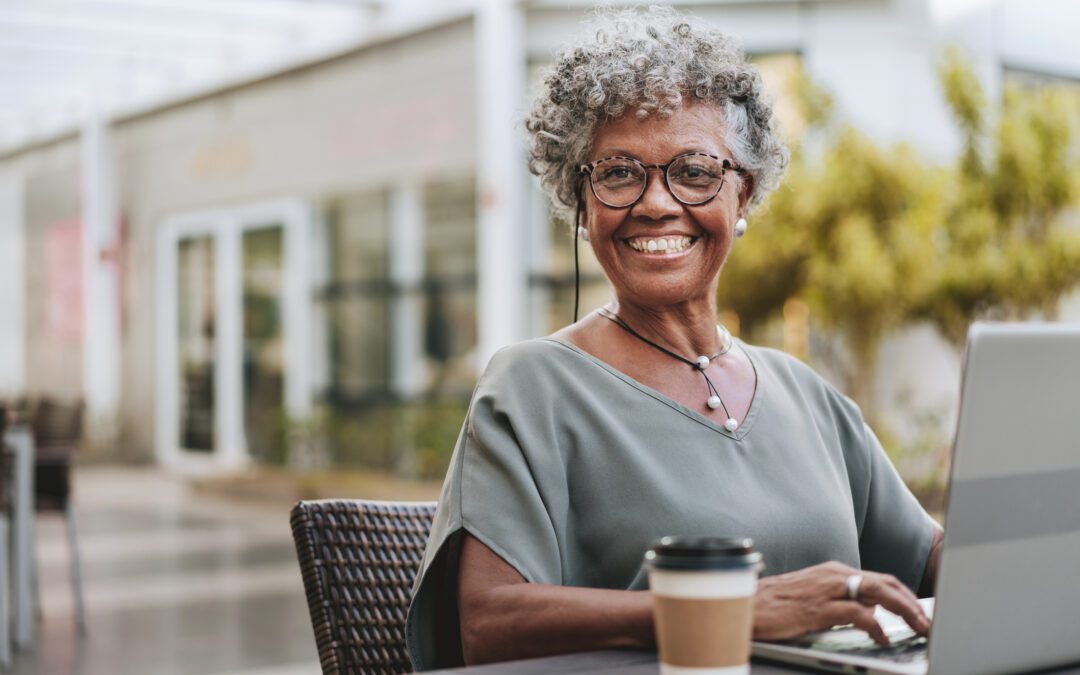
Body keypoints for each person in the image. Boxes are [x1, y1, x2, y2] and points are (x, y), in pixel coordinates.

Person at [405, 6, 943, 670]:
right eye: (619, 172)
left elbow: (934, 563)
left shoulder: (807, 394)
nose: (657, 203)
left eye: (693, 170)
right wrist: (735, 608)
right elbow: (487, 622)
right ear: (582, 203)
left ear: (741, 196)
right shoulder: (532, 387)